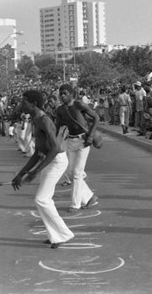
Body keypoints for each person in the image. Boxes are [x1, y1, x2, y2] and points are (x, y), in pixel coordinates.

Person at [11, 90, 74, 249]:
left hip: (56, 161)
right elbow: (37, 153)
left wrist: (36, 171)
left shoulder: (44, 120)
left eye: (25, 102)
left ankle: (63, 233)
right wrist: (20, 174)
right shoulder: (35, 119)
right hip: (48, 160)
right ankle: (55, 236)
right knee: (44, 199)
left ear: (34, 104)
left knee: (41, 199)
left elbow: (54, 149)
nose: (22, 104)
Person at [56, 84, 99, 213]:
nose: (62, 96)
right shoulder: (60, 110)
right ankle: (89, 197)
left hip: (83, 141)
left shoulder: (79, 105)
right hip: (70, 140)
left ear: (71, 94)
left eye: (65, 93)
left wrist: (91, 135)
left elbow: (96, 117)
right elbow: (58, 126)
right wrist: (53, 142)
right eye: (61, 94)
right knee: (70, 172)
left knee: (76, 174)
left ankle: (75, 204)